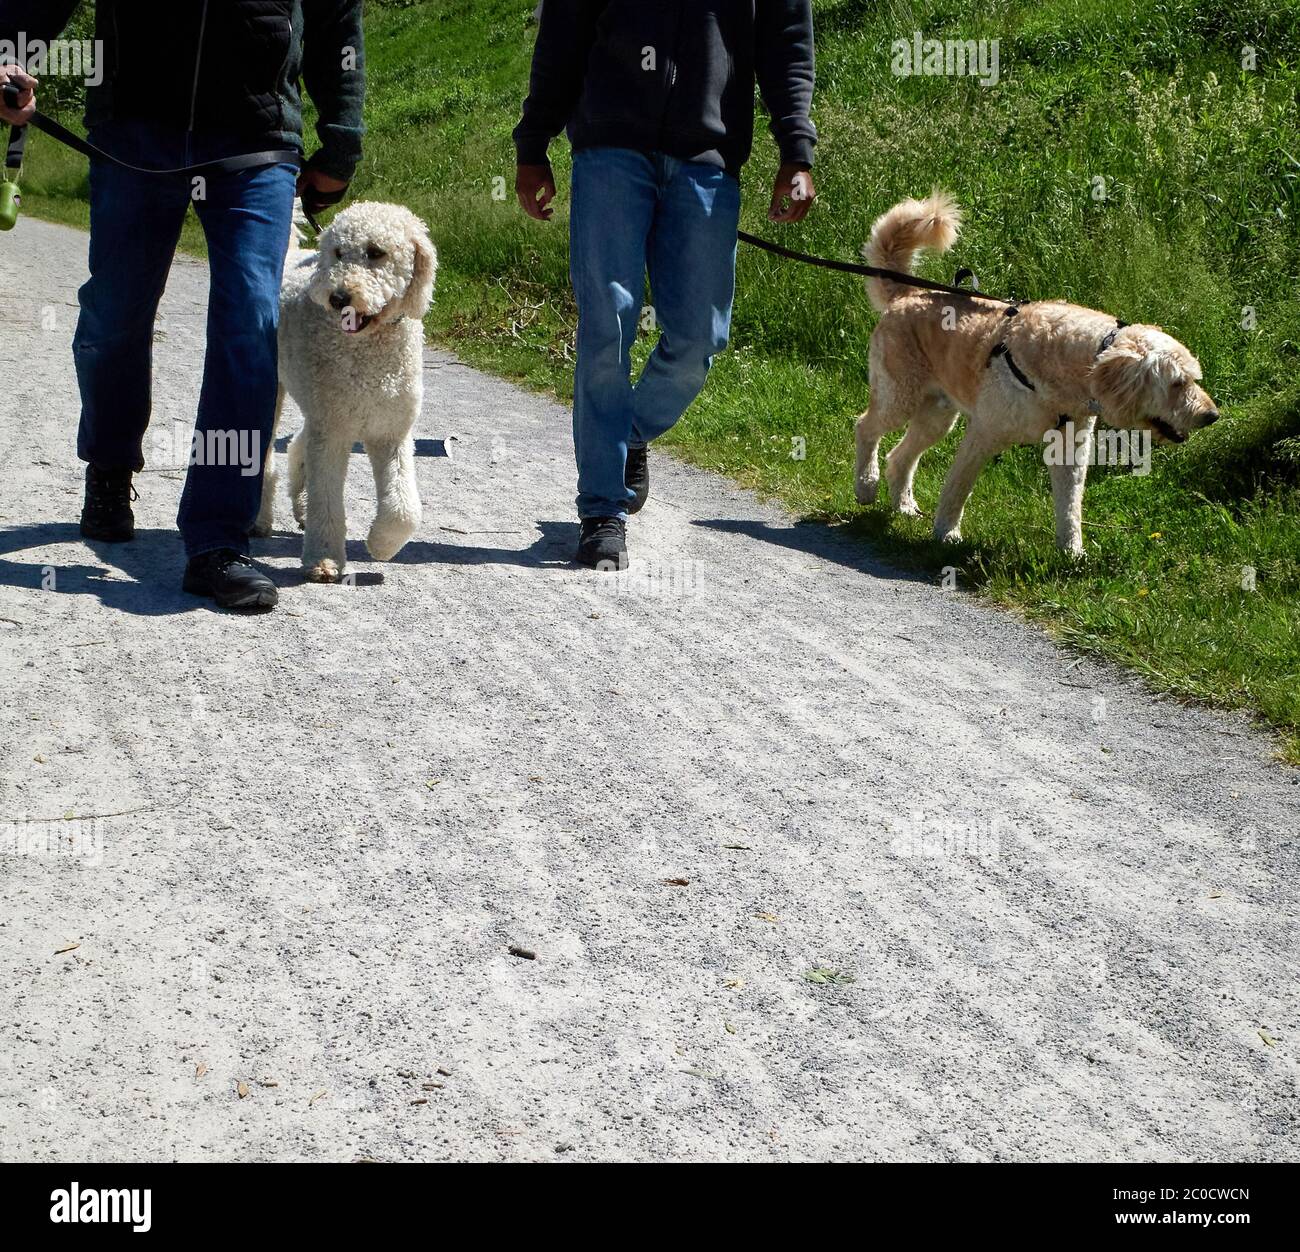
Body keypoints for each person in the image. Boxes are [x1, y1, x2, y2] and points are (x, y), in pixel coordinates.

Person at [0, 1, 365, 611]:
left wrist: (342, 137)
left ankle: (219, 538)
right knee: (114, 312)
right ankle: (111, 465)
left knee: (252, 320)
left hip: (257, 134)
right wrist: (8, 52)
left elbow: (336, 16)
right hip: (135, 127)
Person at [515, 0, 816, 570]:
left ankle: (627, 431)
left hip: (708, 154)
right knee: (608, 320)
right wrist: (534, 142)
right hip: (609, 145)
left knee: (701, 336)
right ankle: (603, 509)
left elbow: (787, 40)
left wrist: (796, 148)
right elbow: (564, 27)